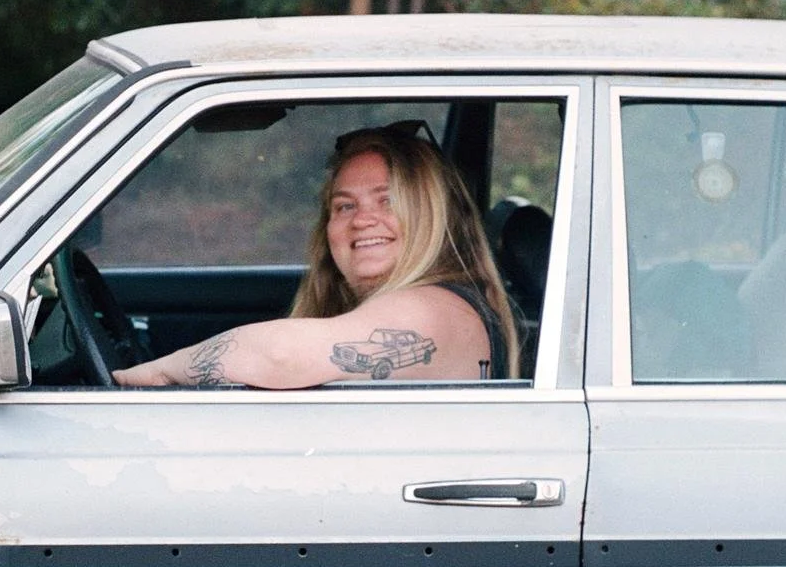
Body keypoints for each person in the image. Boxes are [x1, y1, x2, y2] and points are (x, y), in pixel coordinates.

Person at [112, 122, 519, 388]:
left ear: (432, 215)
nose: (363, 220)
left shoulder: (429, 308)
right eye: (344, 206)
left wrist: (155, 372)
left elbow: (279, 354)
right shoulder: (444, 302)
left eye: (388, 201)